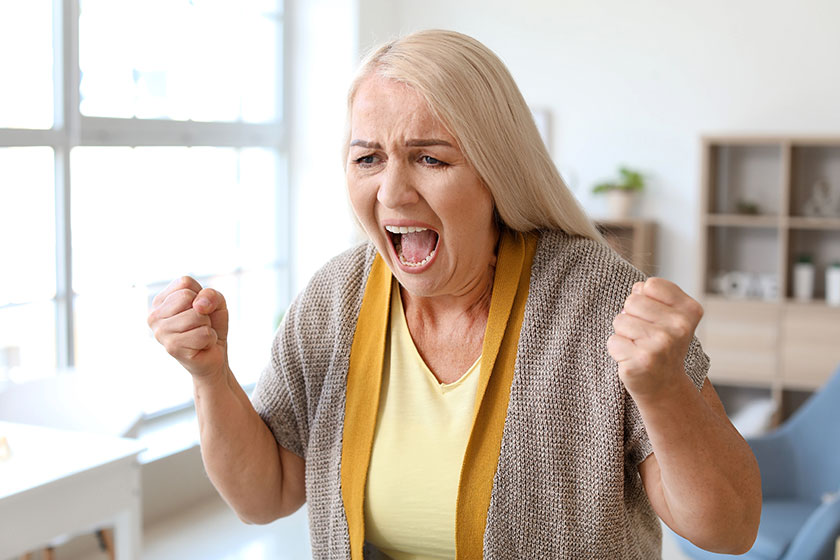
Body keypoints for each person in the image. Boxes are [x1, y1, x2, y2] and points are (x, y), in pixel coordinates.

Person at [147, 29, 761, 559]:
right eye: (367, 158)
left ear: (499, 172)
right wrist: (210, 376)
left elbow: (729, 529)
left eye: (430, 159)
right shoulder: (336, 299)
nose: (392, 192)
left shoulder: (598, 299)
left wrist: (663, 389)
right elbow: (266, 495)